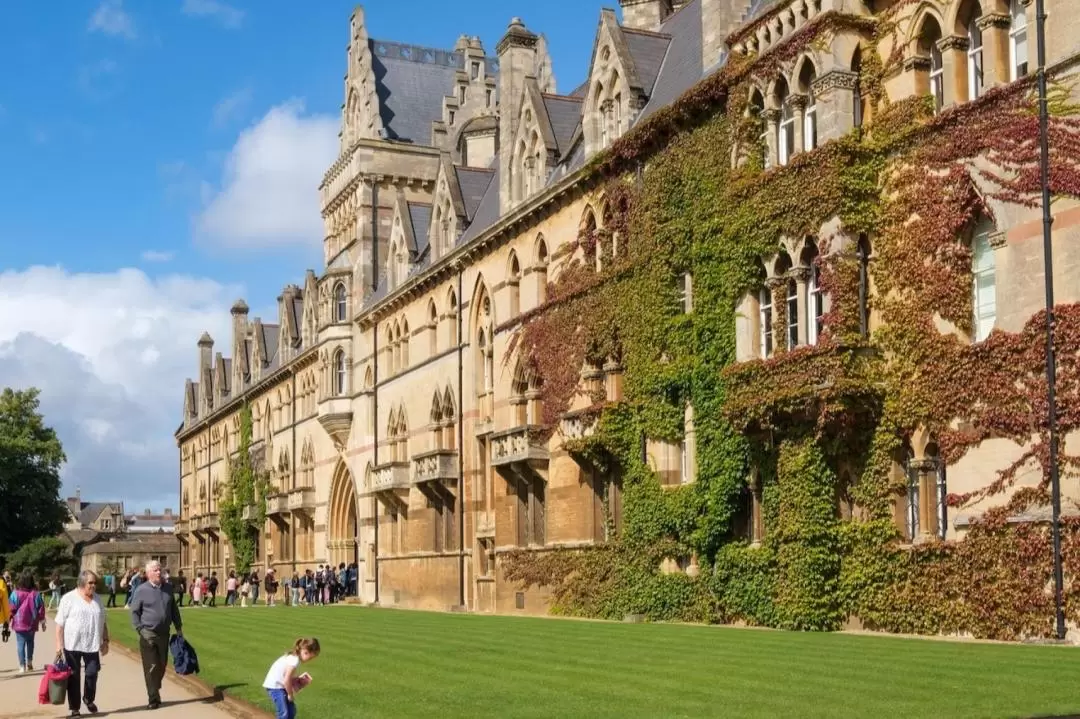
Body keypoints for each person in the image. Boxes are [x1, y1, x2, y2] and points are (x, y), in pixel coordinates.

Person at [130, 560, 183, 710]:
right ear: (148, 574)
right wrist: (140, 629)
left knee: (162, 665)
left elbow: (173, 609)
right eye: (155, 570)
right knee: (151, 666)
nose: (159, 572)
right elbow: (134, 612)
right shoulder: (141, 590)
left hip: (164, 633)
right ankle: (153, 698)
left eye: (159, 570)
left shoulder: (168, 588)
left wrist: (178, 628)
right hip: (148, 633)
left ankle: (155, 686)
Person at [55, 570, 109, 717]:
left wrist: (106, 640)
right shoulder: (68, 598)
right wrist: (59, 646)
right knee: (73, 676)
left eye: (94, 583)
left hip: (92, 644)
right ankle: (75, 709)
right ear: (82, 583)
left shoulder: (97, 599)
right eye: (90, 583)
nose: (93, 586)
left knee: (92, 673)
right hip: (72, 644)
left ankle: (88, 698)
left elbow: (103, 622)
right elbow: (59, 625)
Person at [262, 638, 320, 719]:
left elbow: (285, 676)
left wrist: (296, 680)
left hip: (281, 685)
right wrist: (290, 694)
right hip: (274, 686)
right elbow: (286, 680)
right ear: (306, 652)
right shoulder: (294, 660)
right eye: (310, 658)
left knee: (291, 711)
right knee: (284, 713)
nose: (310, 660)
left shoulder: (295, 658)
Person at [9, 569, 46, 672]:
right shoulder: (36, 594)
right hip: (31, 623)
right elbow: (41, 609)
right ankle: (29, 662)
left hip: (19, 622)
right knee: (30, 642)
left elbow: (11, 608)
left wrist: (9, 619)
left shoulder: (15, 593)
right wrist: (43, 622)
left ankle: (22, 666)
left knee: (20, 644)